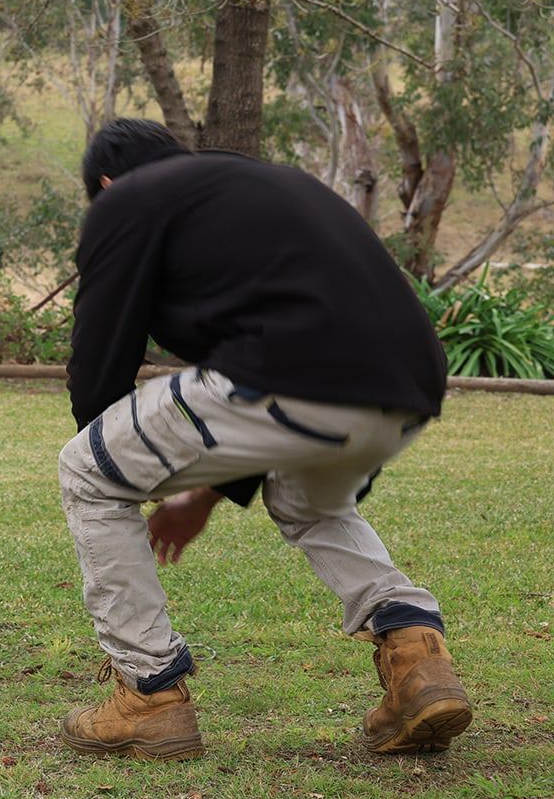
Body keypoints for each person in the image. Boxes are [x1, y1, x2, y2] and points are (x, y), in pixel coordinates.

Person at [56, 118, 470, 759]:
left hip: (290, 372)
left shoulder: (128, 200)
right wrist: (203, 492)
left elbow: (101, 352)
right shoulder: (261, 183)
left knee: (87, 469)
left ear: (107, 185)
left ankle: (148, 692)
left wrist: (115, 458)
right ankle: (414, 650)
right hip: (408, 386)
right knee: (308, 503)